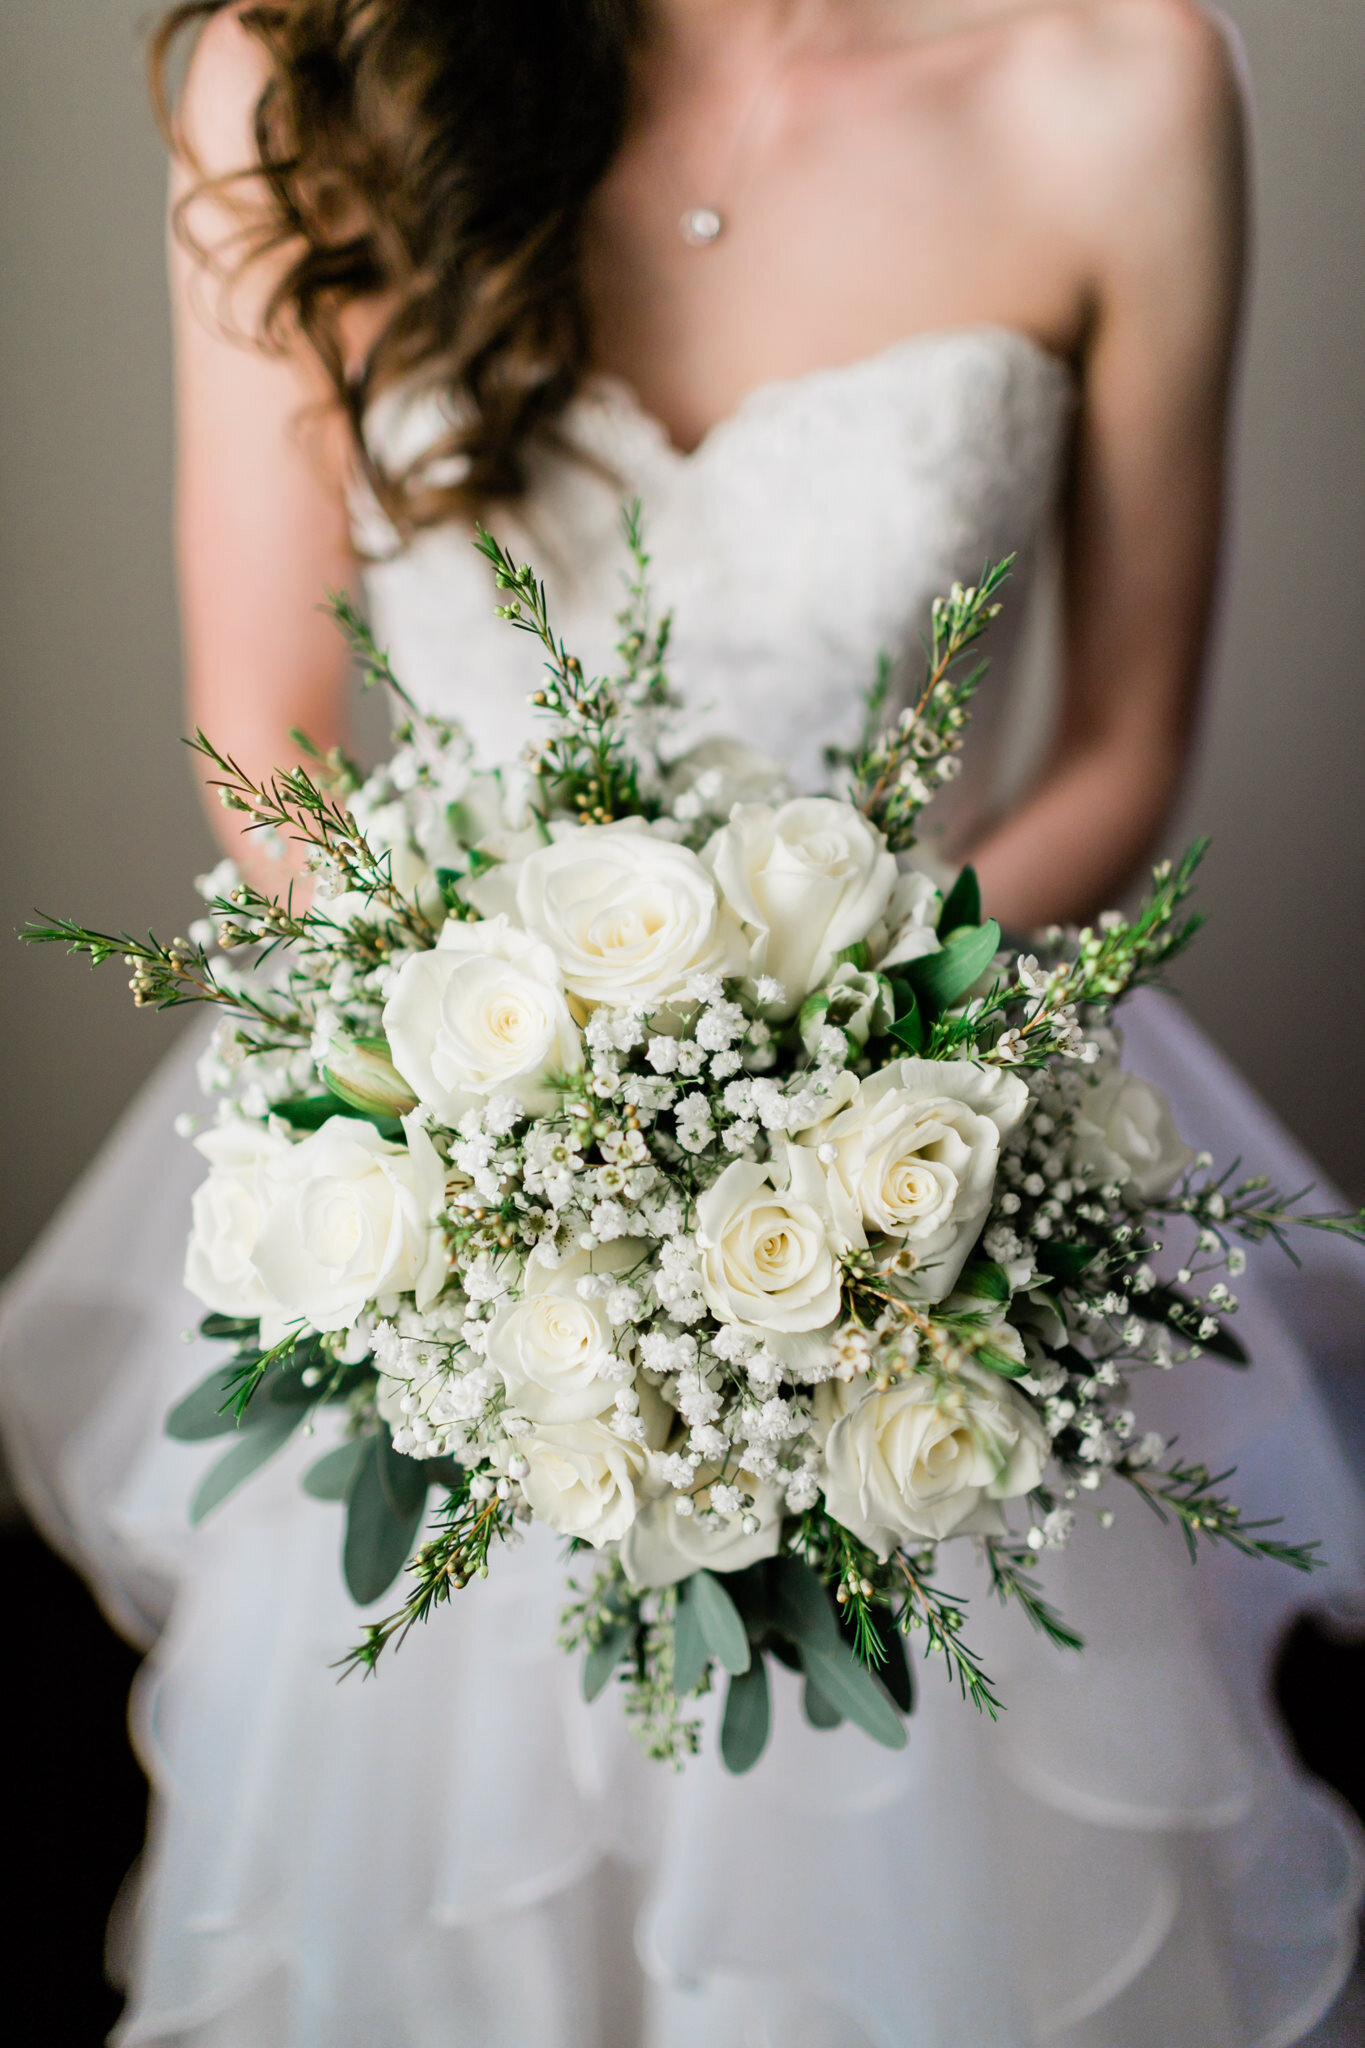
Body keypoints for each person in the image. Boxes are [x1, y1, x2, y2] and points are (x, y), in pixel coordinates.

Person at [3, 2, 1362, 2041]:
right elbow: (263, 742)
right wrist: (518, 1114)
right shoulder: (301, 67)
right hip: (450, 1175)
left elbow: (1117, 738)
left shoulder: (1119, 76)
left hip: (918, 1160)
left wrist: (838, 1088)